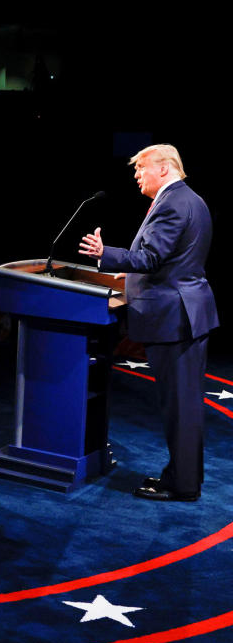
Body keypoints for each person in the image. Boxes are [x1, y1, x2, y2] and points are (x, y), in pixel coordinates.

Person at [79, 144, 219, 501]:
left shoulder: (173, 203)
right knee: (180, 405)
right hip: (182, 314)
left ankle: (182, 485)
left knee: (180, 407)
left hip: (176, 318)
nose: (137, 175)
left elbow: (151, 257)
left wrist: (103, 254)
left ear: (165, 167)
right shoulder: (188, 199)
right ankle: (180, 477)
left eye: (141, 168)